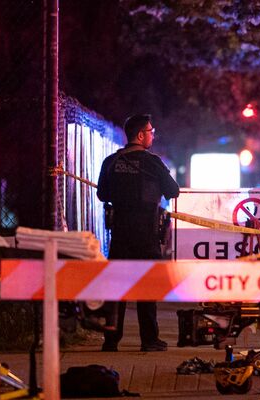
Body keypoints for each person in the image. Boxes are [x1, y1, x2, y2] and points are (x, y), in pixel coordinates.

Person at [96, 114, 180, 352]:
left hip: (120, 233)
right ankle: (149, 340)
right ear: (141, 135)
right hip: (146, 233)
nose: (153, 135)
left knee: (117, 288)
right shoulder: (152, 162)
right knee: (147, 285)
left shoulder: (111, 161)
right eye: (151, 131)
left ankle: (111, 340)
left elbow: (102, 194)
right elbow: (173, 191)